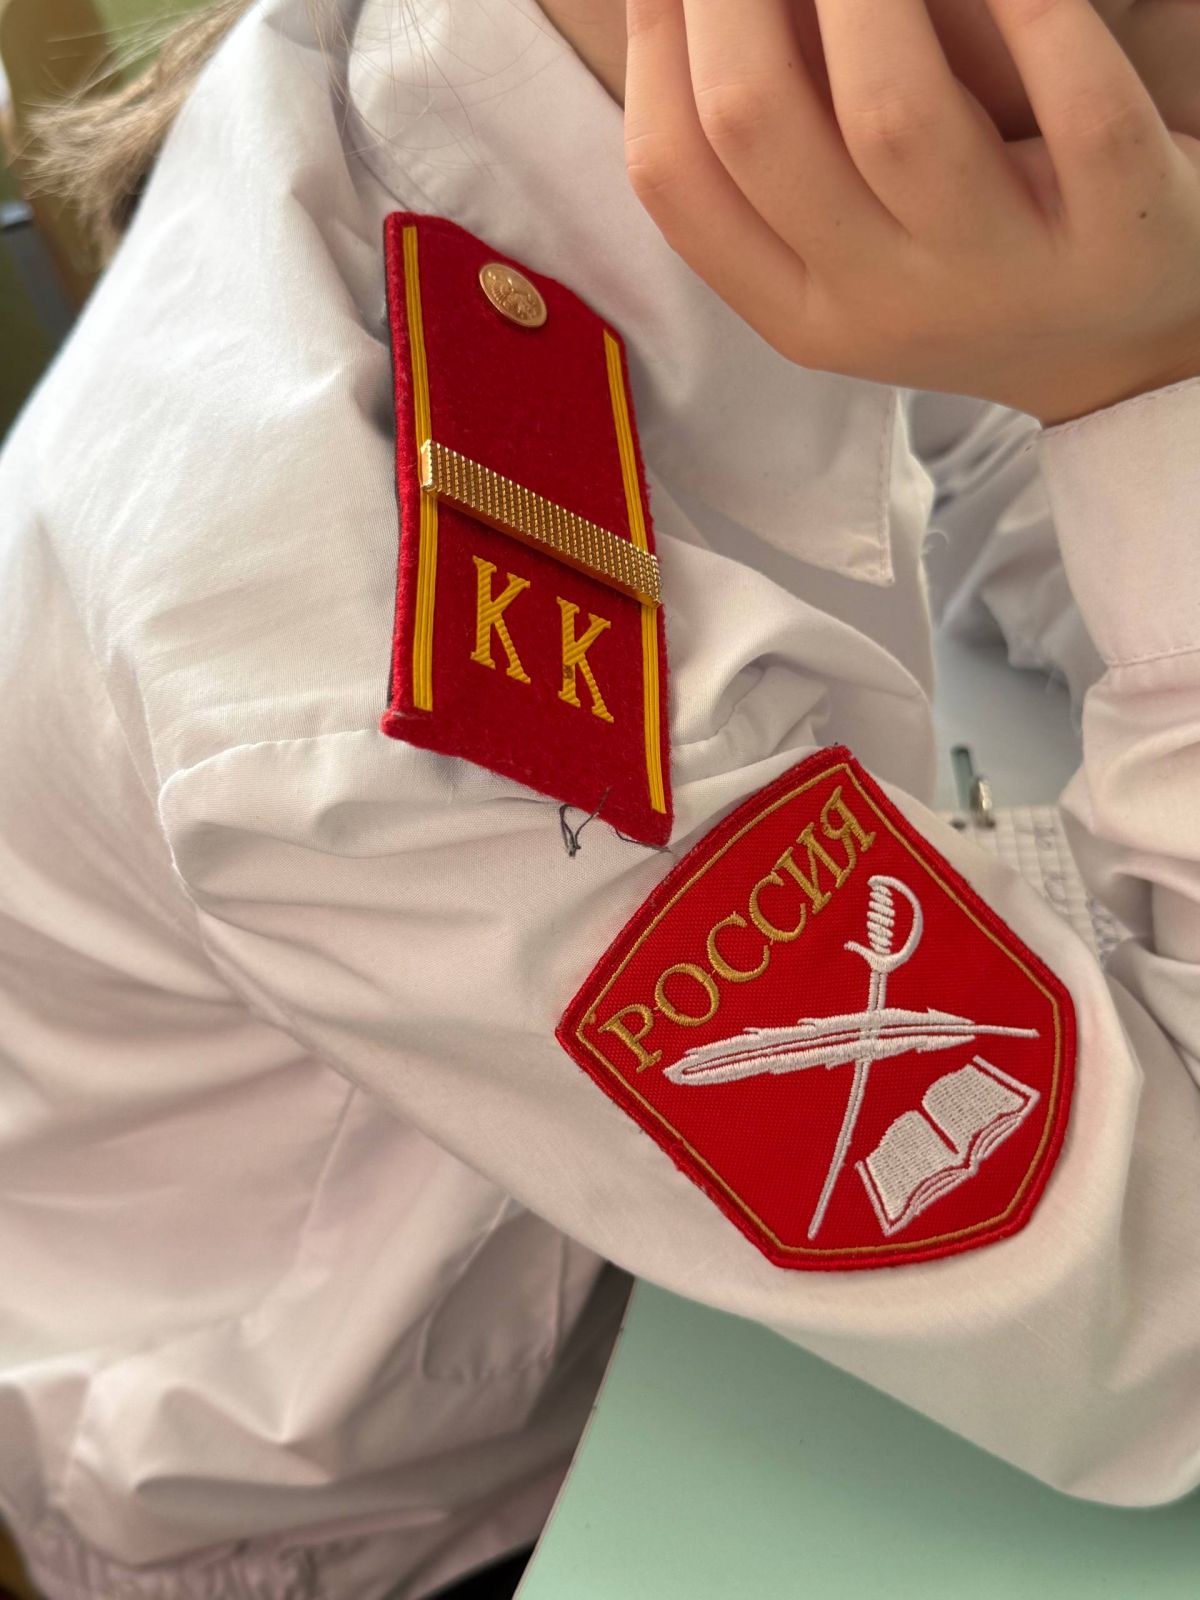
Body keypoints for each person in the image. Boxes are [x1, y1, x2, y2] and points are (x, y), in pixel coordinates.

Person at [2, 0, 1200, 1596]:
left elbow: (964, 453)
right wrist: (1139, 380)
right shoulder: (378, 682)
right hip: (394, 1507)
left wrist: (1107, 362)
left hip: (593, 1265)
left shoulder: (628, 79)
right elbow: (1168, 1321)